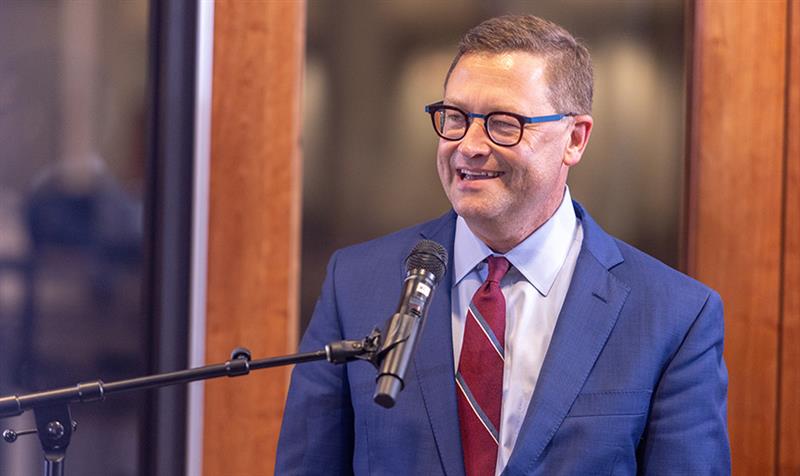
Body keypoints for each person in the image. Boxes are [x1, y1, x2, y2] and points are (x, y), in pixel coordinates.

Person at [276, 14, 730, 475]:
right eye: (456, 117)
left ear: (575, 139)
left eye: (503, 123)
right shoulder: (355, 286)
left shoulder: (674, 316)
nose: (469, 145)